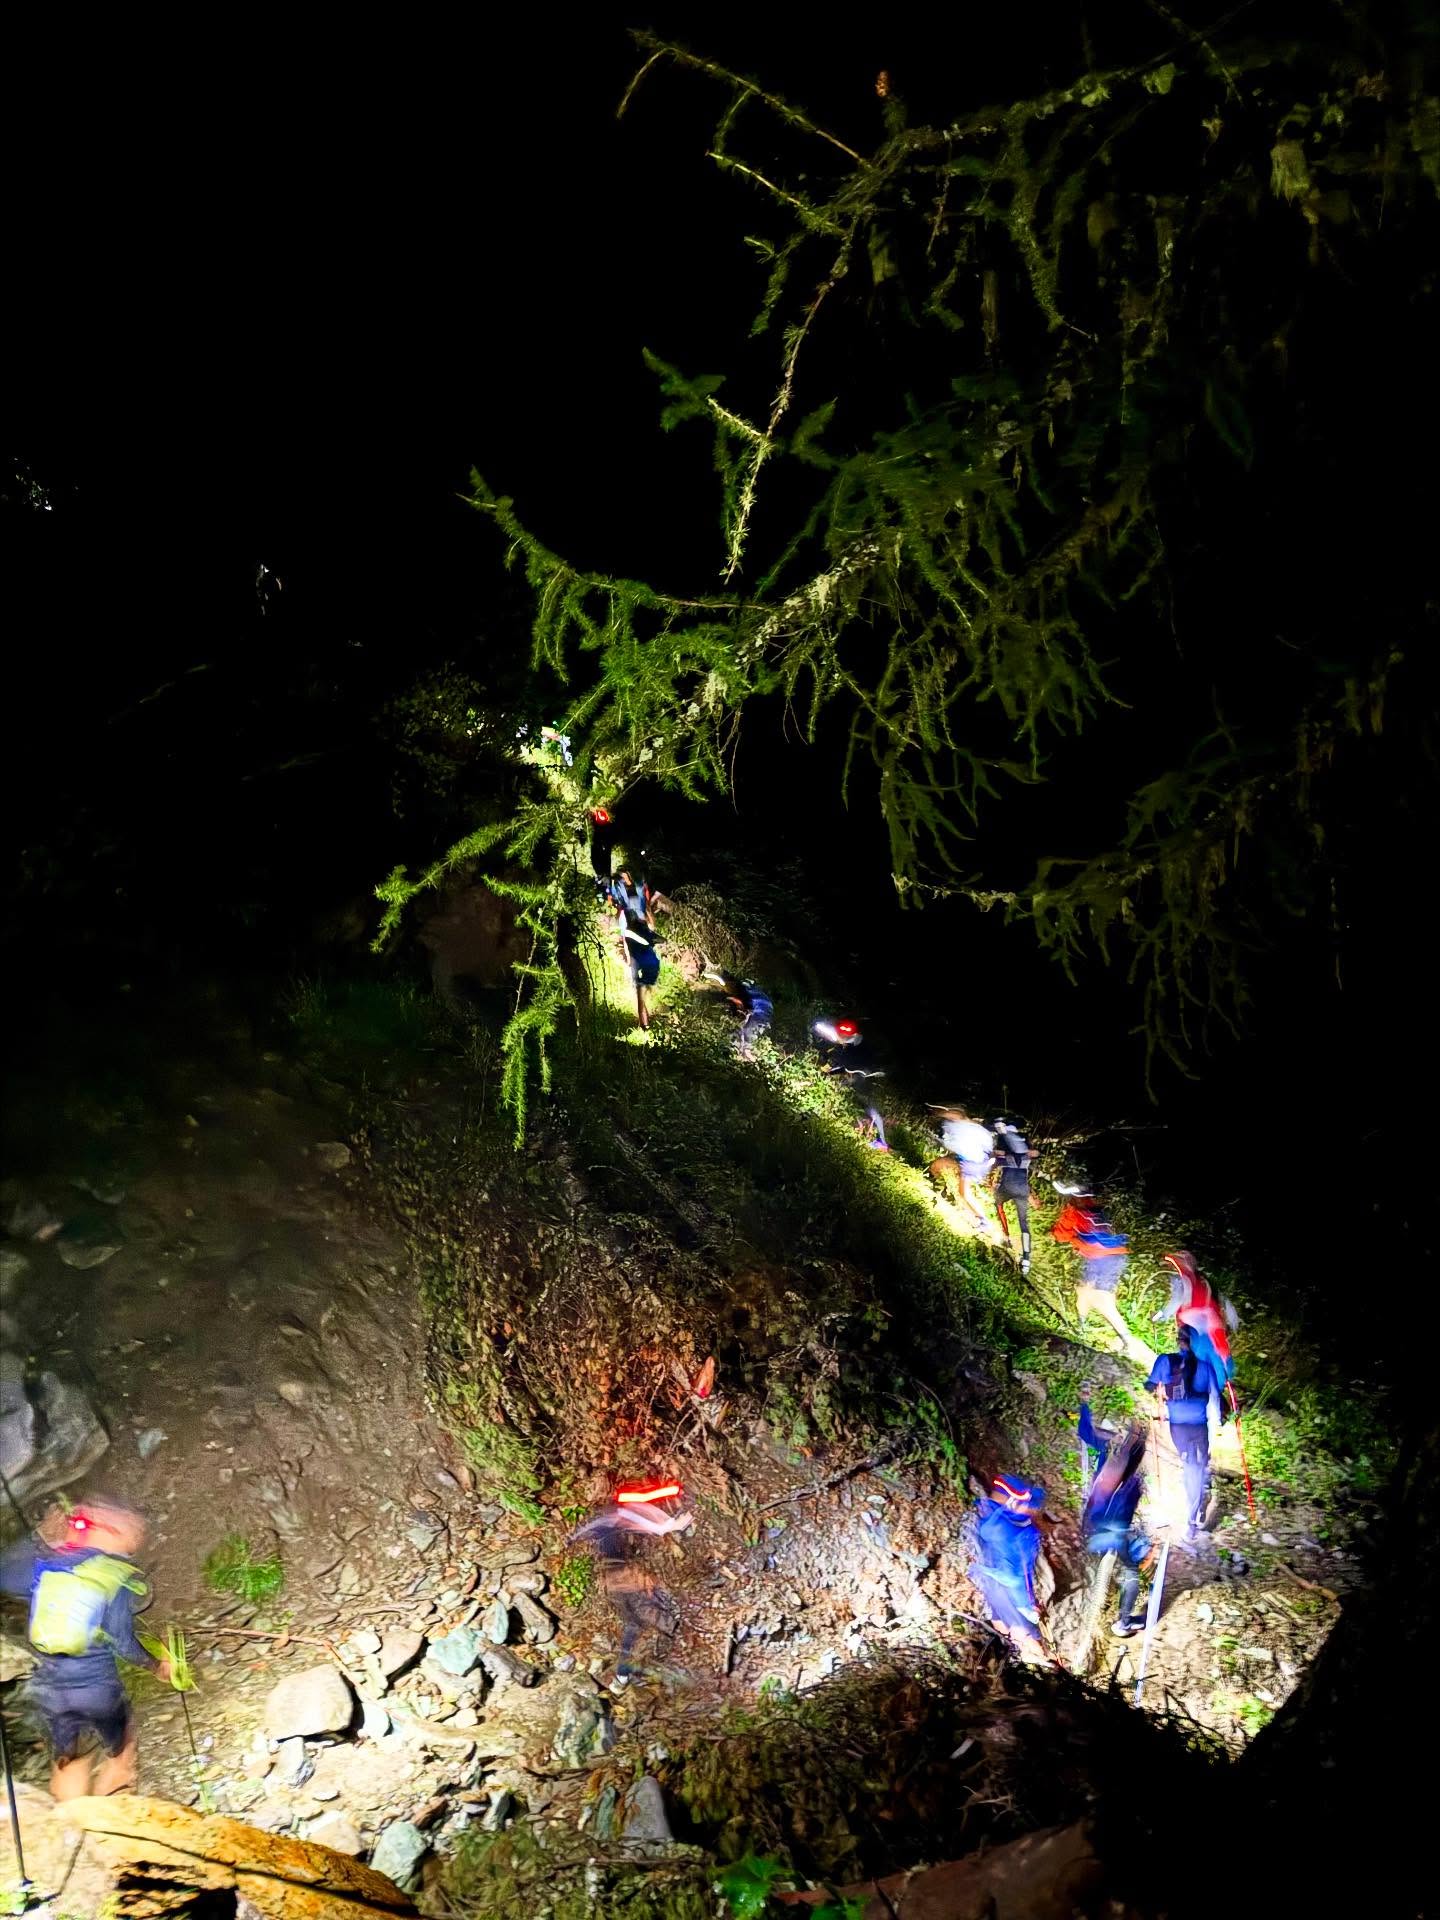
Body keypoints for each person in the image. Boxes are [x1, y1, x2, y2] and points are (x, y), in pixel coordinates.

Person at [0, 1495, 167, 1799]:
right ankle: (111, 1821)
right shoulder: (111, 1574)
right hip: (97, 1690)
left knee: (68, 1760)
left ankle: (70, 1830)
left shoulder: (47, 1567)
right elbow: (122, 1641)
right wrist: (157, 1666)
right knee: (122, 1748)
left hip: (50, 1692)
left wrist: (37, 1536)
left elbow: (4, 1574)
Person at [571, 1486, 694, 1684]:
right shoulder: (614, 1518)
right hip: (619, 1576)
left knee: (633, 1623)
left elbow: (635, 1520)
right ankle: (674, 1633)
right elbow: (641, 1521)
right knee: (640, 1615)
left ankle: (624, 1671)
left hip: (613, 1579)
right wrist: (670, 1526)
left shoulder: (605, 1523)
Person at [1050, 1182, 1152, 1365]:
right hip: (1116, 1256)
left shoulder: (1075, 1211)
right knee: (1084, 1290)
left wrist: (1073, 1237)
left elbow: (1060, 1235)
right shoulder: (1103, 1209)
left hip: (1099, 1258)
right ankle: (1082, 1327)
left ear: (1074, 1196)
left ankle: (1125, 1341)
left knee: (1101, 1300)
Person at [1077, 1394, 1153, 1637]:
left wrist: (1084, 1407)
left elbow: (1087, 1433)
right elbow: (1087, 1432)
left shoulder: (1114, 1459)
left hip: (1099, 1529)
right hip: (1110, 1533)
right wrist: (1085, 1407)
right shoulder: (1122, 1468)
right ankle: (1124, 1621)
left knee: (1127, 1565)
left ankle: (1122, 1617)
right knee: (1131, 1570)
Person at [1147, 1325, 1223, 1538]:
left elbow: (1149, 1386)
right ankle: (1192, 1515)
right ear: (1195, 1344)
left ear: (1178, 1341)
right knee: (1196, 1468)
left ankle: (1192, 1513)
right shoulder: (1206, 1368)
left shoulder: (1165, 1361)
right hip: (1199, 1425)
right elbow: (1215, 1397)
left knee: (1189, 1464)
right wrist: (1217, 1424)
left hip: (1178, 1426)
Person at [972, 1473, 1050, 1659]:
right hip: (1006, 1590)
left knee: (1007, 1628)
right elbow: (1016, 1576)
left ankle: (1022, 1658)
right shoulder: (1014, 1529)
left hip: (994, 1585)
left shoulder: (991, 1515)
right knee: (1024, 1635)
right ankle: (1040, 1662)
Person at [1157, 1251, 1237, 1402]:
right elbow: (1224, 1301)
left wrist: (1160, 1315)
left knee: (1196, 1357)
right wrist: (1233, 1322)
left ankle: (1199, 1393)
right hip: (1212, 1322)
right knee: (1217, 1354)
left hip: (1192, 1324)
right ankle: (1219, 1388)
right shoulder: (1205, 1281)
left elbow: (1175, 1302)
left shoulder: (1183, 1281)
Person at [814, 1017, 889, 1149]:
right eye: (840, 1034)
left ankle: (881, 1142)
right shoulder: (843, 1044)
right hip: (853, 1073)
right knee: (853, 1099)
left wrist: (831, 1068)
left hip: (862, 1078)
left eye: (844, 1036)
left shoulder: (858, 1047)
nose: (841, 1037)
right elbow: (838, 1062)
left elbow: (847, 1064)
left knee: (868, 1107)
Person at [930, 1109, 995, 1231]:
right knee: (937, 1165)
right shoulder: (966, 1127)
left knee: (965, 1193)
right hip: (970, 1162)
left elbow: (951, 1144)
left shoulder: (962, 1128)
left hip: (972, 1163)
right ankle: (943, 1190)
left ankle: (984, 1221)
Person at [990, 1117, 1034, 1274]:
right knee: (1024, 1224)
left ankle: (1006, 1236)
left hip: (1008, 1186)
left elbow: (999, 1158)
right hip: (1021, 1188)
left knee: (998, 1204)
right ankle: (1027, 1258)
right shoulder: (1024, 1146)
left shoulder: (1015, 1148)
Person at [718, 973, 774, 1055]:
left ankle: (739, 1051)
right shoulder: (757, 992)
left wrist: (731, 998)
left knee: (747, 1033)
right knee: (744, 1032)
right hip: (763, 1014)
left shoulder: (746, 991)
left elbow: (742, 1003)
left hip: (761, 1014)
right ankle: (734, 1049)